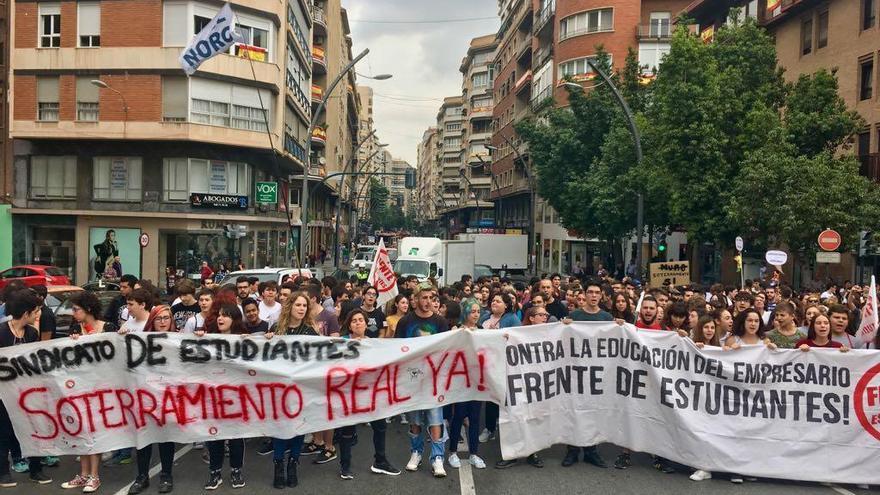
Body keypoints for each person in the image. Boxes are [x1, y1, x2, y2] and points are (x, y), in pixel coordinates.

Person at [64, 290, 121, 491]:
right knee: (81, 431)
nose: (73, 313)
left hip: (100, 388)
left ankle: (94, 476)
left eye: (76, 309)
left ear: (88, 309)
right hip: (78, 386)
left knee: (94, 432)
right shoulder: (75, 328)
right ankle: (83, 473)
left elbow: (114, 356)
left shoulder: (107, 327)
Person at [335, 309, 401, 479]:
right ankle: (345, 466)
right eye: (354, 321)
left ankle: (380, 461)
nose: (358, 323)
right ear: (349, 325)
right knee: (347, 429)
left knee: (380, 426)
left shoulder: (374, 344)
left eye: (360, 320)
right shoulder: (340, 343)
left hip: (371, 393)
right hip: (350, 393)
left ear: (366, 323)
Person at [0, 289, 53, 488]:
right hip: (4, 394)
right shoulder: (2, 332)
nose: (38, 314)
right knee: (4, 432)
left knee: (34, 429)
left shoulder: (31, 333)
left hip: (27, 394)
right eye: (36, 311)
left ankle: (36, 469)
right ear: (26, 313)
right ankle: (3, 472)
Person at [395, 284, 449, 477]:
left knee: (435, 419)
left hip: (434, 380)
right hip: (412, 379)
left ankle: (437, 458)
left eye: (431, 298)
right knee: (415, 419)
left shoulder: (441, 322)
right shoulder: (405, 322)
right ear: (415, 299)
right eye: (424, 297)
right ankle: (416, 452)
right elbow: (397, 349)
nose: (428, 302)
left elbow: (446, 349)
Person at [265, 292, 318, 487]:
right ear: (290, 307)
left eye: (304, 305)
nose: (302, 308)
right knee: (280, 427)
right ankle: (278, 464)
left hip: (302, 389)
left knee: (299, 427)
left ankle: (293, 464)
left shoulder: (311, 333)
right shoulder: (277, 329)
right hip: (280, 389)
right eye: (298, 305)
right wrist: (267, 339)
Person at [126, 305, 176, 495]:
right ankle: (142, 476)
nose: (163, 322)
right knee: (144, 438)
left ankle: (166, 475)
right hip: (145, 396)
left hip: (168, 398)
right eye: (159, 319)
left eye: (166, 318)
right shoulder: (140, 341)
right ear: (152, 321)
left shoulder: (180, 340)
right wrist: (121, 335)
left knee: (165, 438)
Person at [200, 304, 247, 490]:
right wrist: (198, 340)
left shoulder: (244, 340)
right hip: (213, 397)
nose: (220, 318)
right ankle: (215, 472)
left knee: (236, 436)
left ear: (234, 319)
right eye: (219, 315)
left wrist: (264, 339)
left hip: (237, 397)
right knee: (214, 435)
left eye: (225, 316)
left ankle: (236, 471)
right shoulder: (208, 339)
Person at [447, 301, 487, 470]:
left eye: (478, 311)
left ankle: (474, 454)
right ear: (466, 313)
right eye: (472, 311)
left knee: (475, 418)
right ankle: (453, 452)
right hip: (460, 381)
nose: (476, 315)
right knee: (459, 416)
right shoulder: (456, 330)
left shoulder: (483, 332)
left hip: (477, 380)